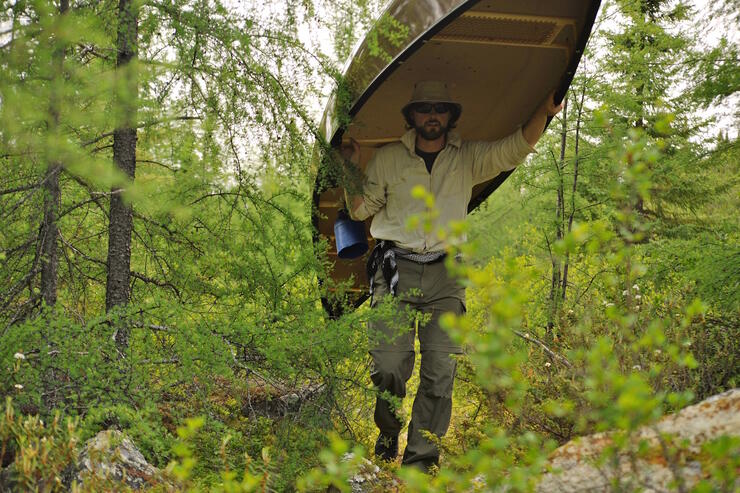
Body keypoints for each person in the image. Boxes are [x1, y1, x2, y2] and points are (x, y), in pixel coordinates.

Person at [342, 80, 562, 472]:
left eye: (440, 109)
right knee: (389, 365)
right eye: (424, 108)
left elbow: (515, 149)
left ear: (451, 116)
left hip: (446, 275)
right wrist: (349, 165)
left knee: (440, 372)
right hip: (395, 271)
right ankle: (389, 429)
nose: (432, 116)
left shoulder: (468, 158)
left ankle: (420, 463)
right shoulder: (389, 159)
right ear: (411, 116)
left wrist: (543, 113)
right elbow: (360, 210)